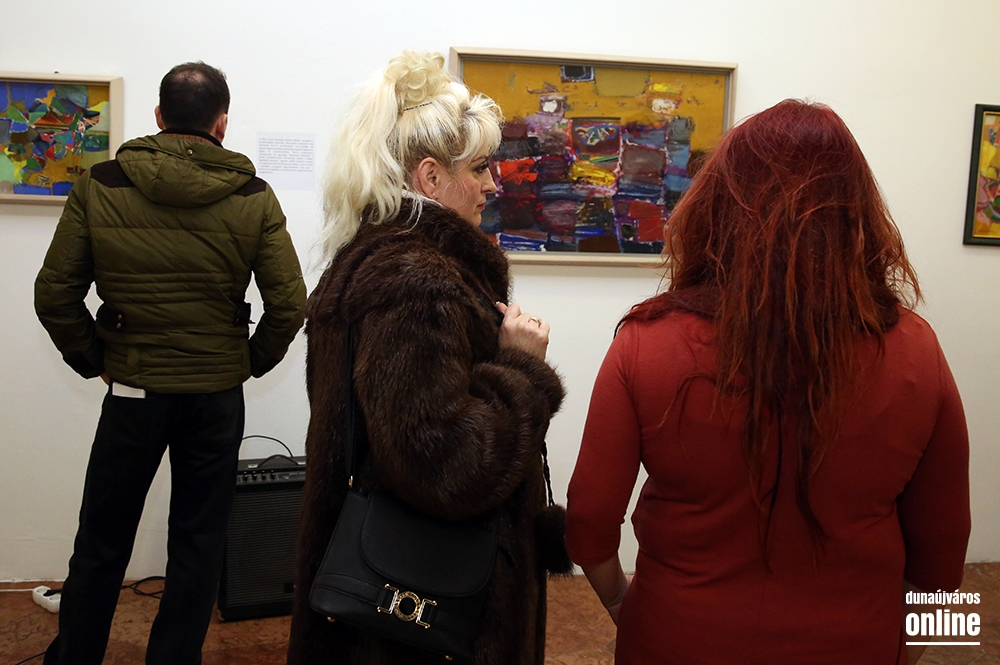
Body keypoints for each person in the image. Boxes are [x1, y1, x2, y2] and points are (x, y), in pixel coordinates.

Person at [565, 100, 970, 665]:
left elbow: (588, 523)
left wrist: (619, 604)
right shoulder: (916, 349)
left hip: (676, 639)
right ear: (855, 213)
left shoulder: (645, 343)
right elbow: (946, 554)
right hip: (857, 644)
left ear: (717, 205)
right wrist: (911, 653)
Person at [287, 51, 568, 665]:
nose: (493, 185)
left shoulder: (371, 261)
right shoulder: (418, 282)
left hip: (383, 606)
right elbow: (445, 465)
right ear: (430, 178)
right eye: (481, 168)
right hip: (423, 621)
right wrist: (522, 370)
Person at [34, 61, 306, 665]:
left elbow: (53, 294)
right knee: (198, 544)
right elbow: (290, 304)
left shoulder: (102, 182)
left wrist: (97, 359)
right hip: (215, 398)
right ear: (222, 123)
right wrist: (246, 362)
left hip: (133, 389)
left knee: (101, 540)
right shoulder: (254, 196)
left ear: (158, 115)